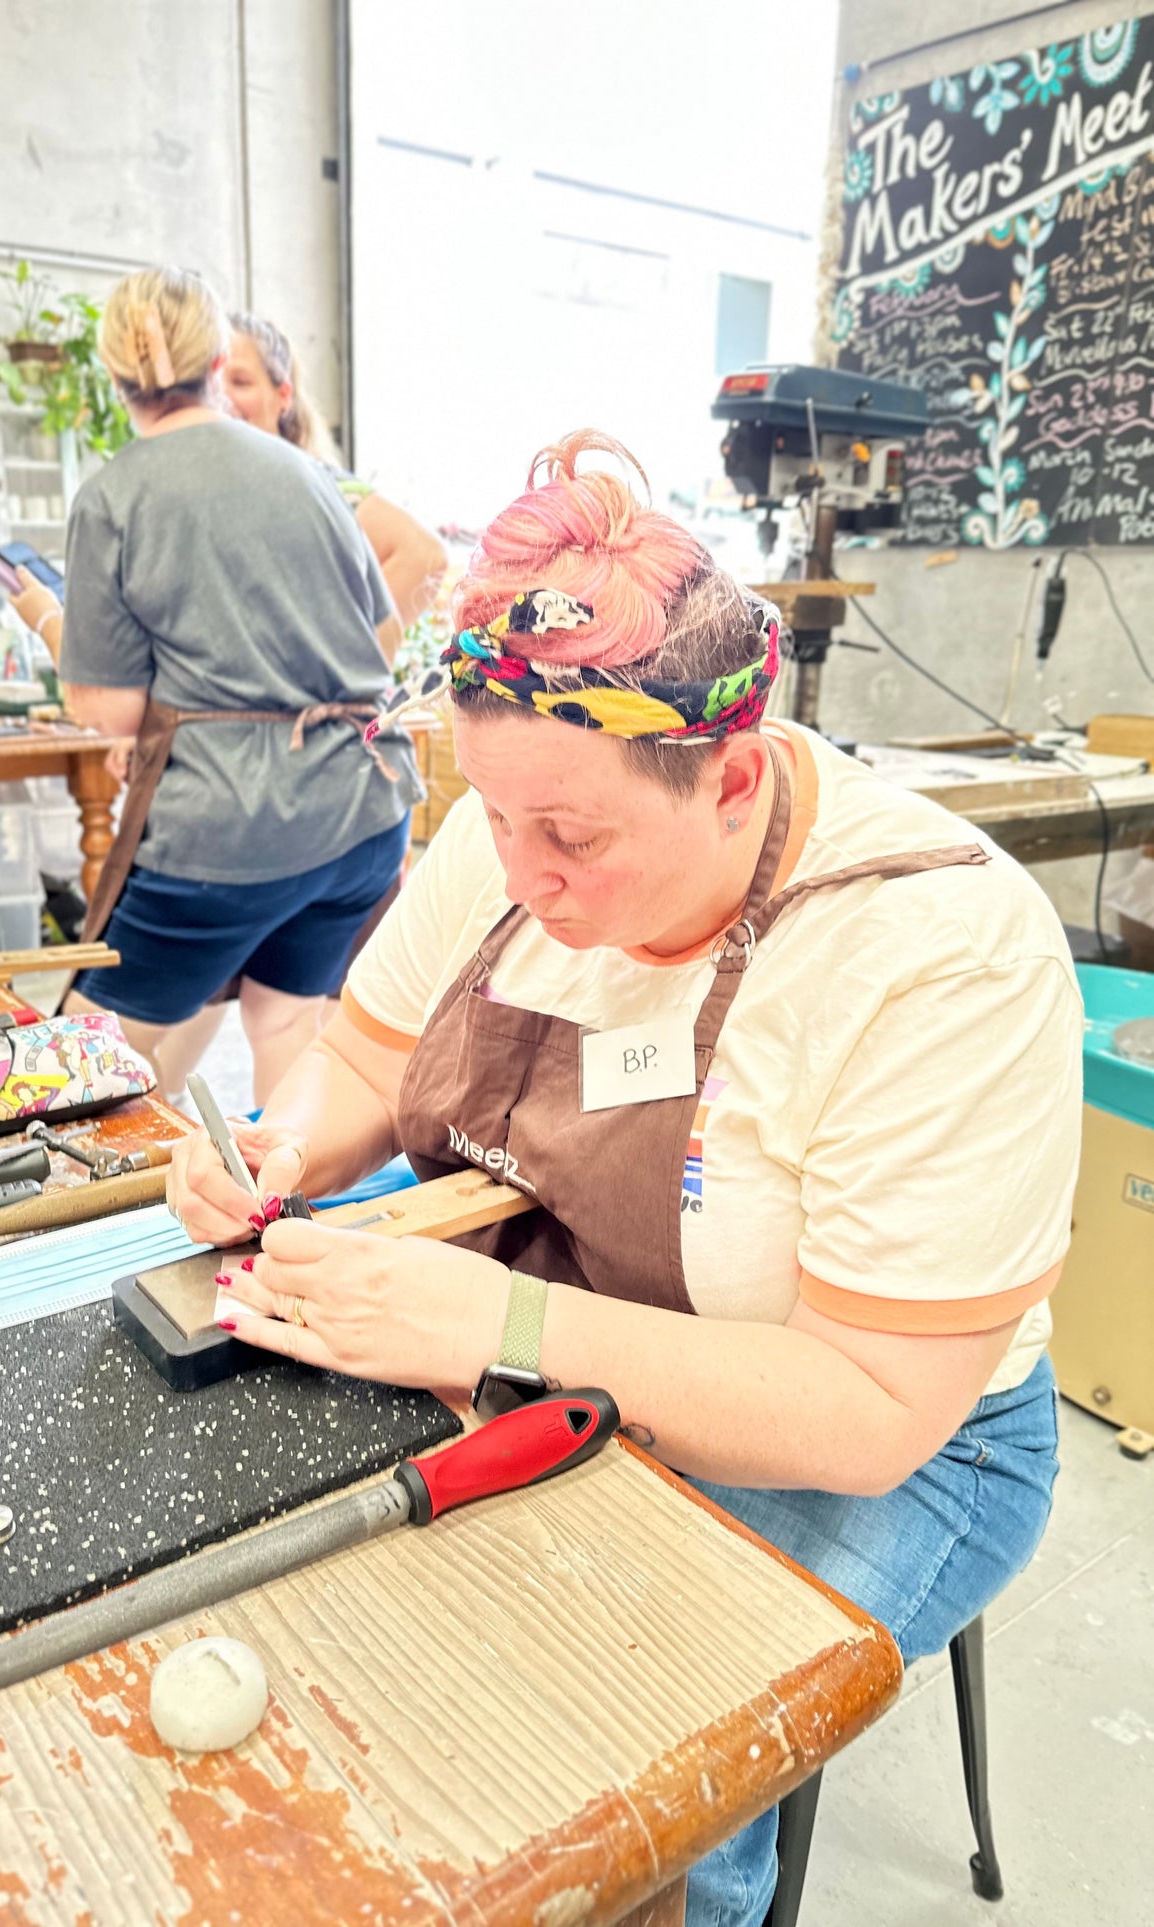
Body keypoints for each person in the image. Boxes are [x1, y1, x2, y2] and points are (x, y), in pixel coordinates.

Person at [166, 430, 1079, 1926]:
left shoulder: (939, 950)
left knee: (635, 1760)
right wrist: (281, 1146)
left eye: (571, 836)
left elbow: (865, 1407)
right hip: (547, 1302)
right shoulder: (507, 825)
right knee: (340, 1599)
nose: (518, 871)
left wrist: (496, 1330)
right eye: (495, 813)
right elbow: (366, 1062)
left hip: (898, 1435)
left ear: (729, 776)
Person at [39, 266, 418, 1104]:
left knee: (76, 1059)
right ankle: (278, 1216)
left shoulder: (114, 494)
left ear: (111, 376)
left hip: (233, 827)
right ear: (217, 357)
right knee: (286, 1024)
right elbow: (370, 627)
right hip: (363, 807)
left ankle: (55, 1218)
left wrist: (46, 619)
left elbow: (109, 709)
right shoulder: (310, 476)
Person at [222, 310, 447, 628]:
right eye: (211, 384)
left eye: (241, 382)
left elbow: (425, 556)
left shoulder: (322, 488)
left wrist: (350, 656)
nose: (224, 398)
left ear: (282, 396)